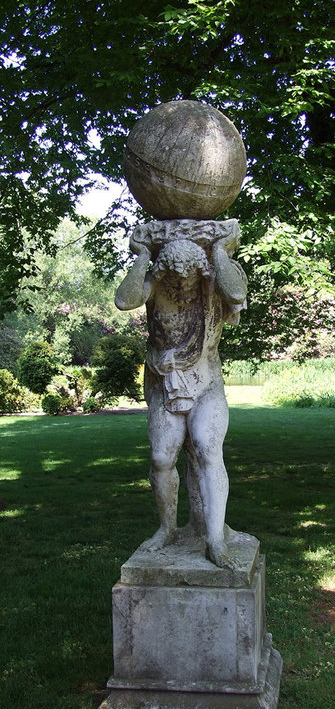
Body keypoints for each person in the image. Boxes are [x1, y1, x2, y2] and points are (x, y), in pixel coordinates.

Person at [115, 219, 247, 568]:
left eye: (187, 278)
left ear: (199, 271)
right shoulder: (157, 283)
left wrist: (219, 250)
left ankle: (215, 540)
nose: (182, 286)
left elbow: (236, 294)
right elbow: (123, 299)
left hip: (205, 381)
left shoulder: (214, 280)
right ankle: (167, 528)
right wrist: (143, 257)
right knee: (161, 457)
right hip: (164, 378)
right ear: (165, 272)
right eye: (174, 278)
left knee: (206, 447)